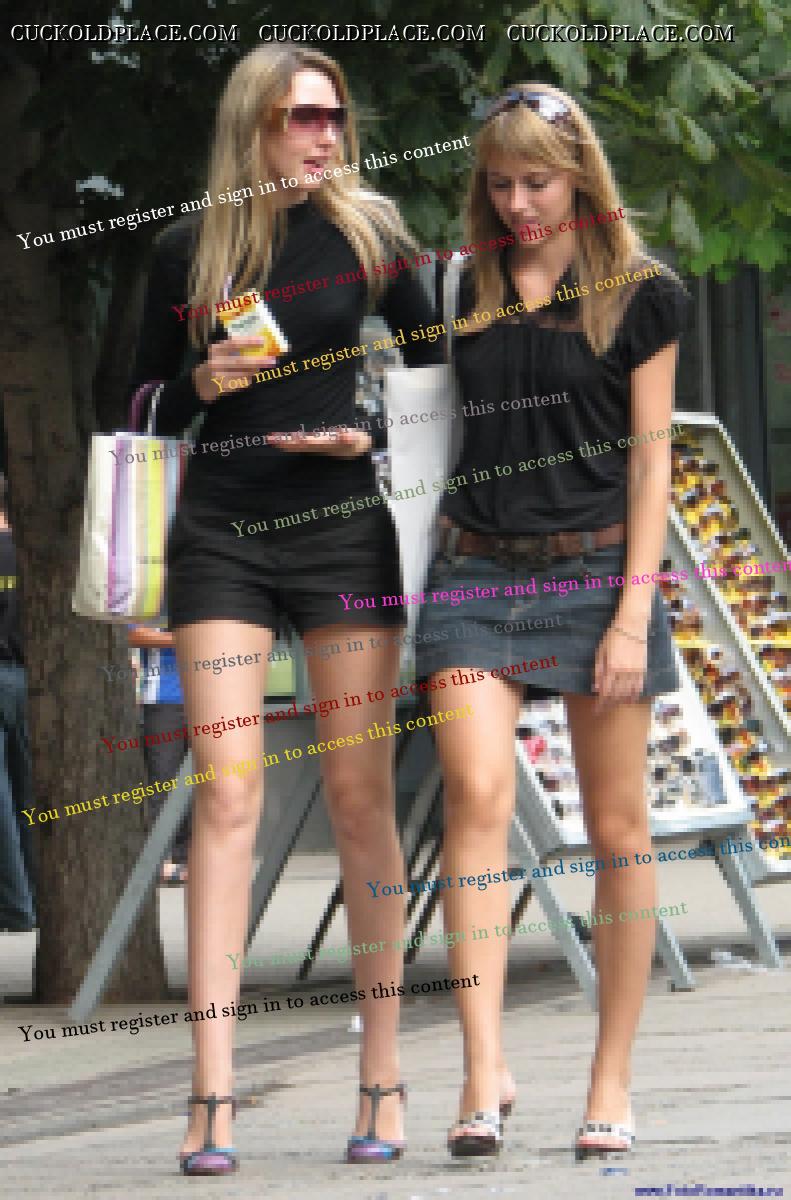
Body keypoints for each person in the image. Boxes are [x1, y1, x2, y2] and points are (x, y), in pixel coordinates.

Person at [127, 44, 442, 1175]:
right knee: (226, 796)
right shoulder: (188, 248)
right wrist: (197, 386)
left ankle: (382, 1076)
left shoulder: (371, 234)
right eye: (299, 116)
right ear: (252, 125)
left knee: (359, 798)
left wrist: (366, 429)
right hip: (220, 533)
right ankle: (210, 1095)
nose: (322, 134)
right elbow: (133, 402)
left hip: (344, 531)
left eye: (332, 116)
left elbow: (433, 376)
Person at [415, 83, 690, 1160]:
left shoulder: (643, 294)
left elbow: (650, 462)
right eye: (498, 182)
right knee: (476, 796)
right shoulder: (460, 284)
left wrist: (631, 612)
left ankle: (609, 1079)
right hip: (472, 573)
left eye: (535, 181)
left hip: (595, 574)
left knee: (618, 831)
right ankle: (481, 1071)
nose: (517, 203)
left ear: (578, 176)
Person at [0, 472, 36, 934]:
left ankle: (15, 906)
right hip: (32, 682)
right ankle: (40, 900)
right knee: (31, 793)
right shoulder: (32, 554)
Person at [128, 625, 191, 884]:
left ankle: (187, 859)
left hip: (207, 696)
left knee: (201, 783)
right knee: (162, 782)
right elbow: (132, 634)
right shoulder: (152, 600)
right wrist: (188, 639)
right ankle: (160, 861)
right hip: (162, 700)